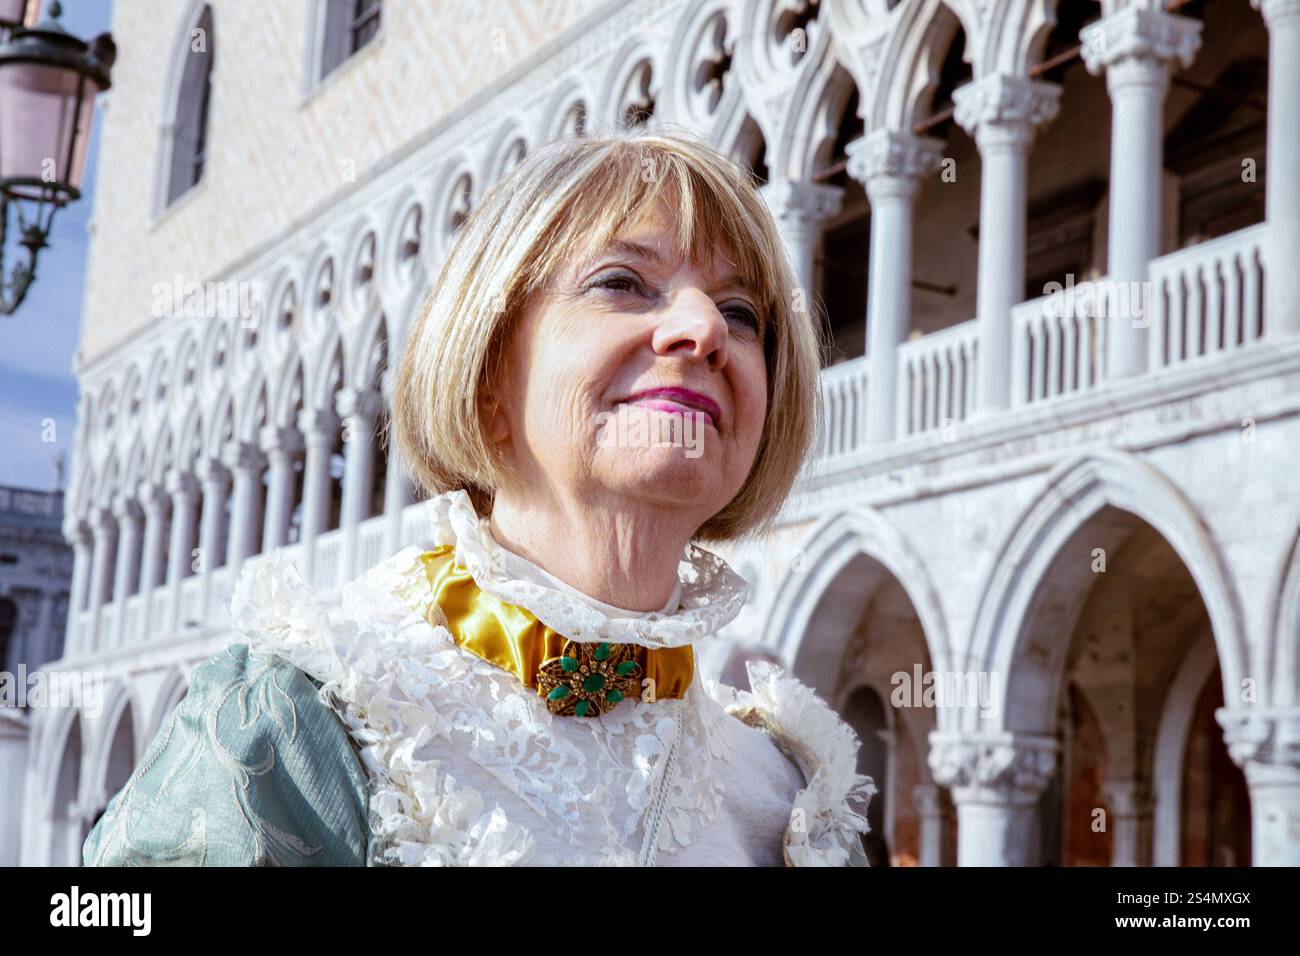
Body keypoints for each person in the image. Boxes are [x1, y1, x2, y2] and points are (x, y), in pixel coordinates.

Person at [82, 126, 876, 867]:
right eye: (623, 284)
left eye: (740, 313)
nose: (702, 328)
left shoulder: (786, 795)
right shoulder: (300, 720)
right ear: (490, 372)